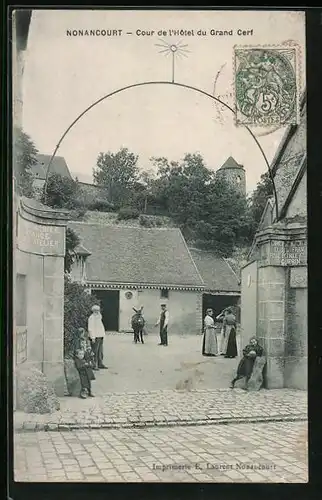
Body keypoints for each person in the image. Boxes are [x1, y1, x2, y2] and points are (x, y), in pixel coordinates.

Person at [88, 305, 107, 370]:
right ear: (93, 311)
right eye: (96, 310)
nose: (98, 312)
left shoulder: (98, 317)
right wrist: (92, 337)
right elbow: (90, 328)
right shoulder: (91, 318)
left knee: (100, 351)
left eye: (98, 310)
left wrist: (103, 335)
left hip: (100, 336)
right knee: (95, 351)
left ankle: (100, 363)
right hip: (95, 336)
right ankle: (94, 365)